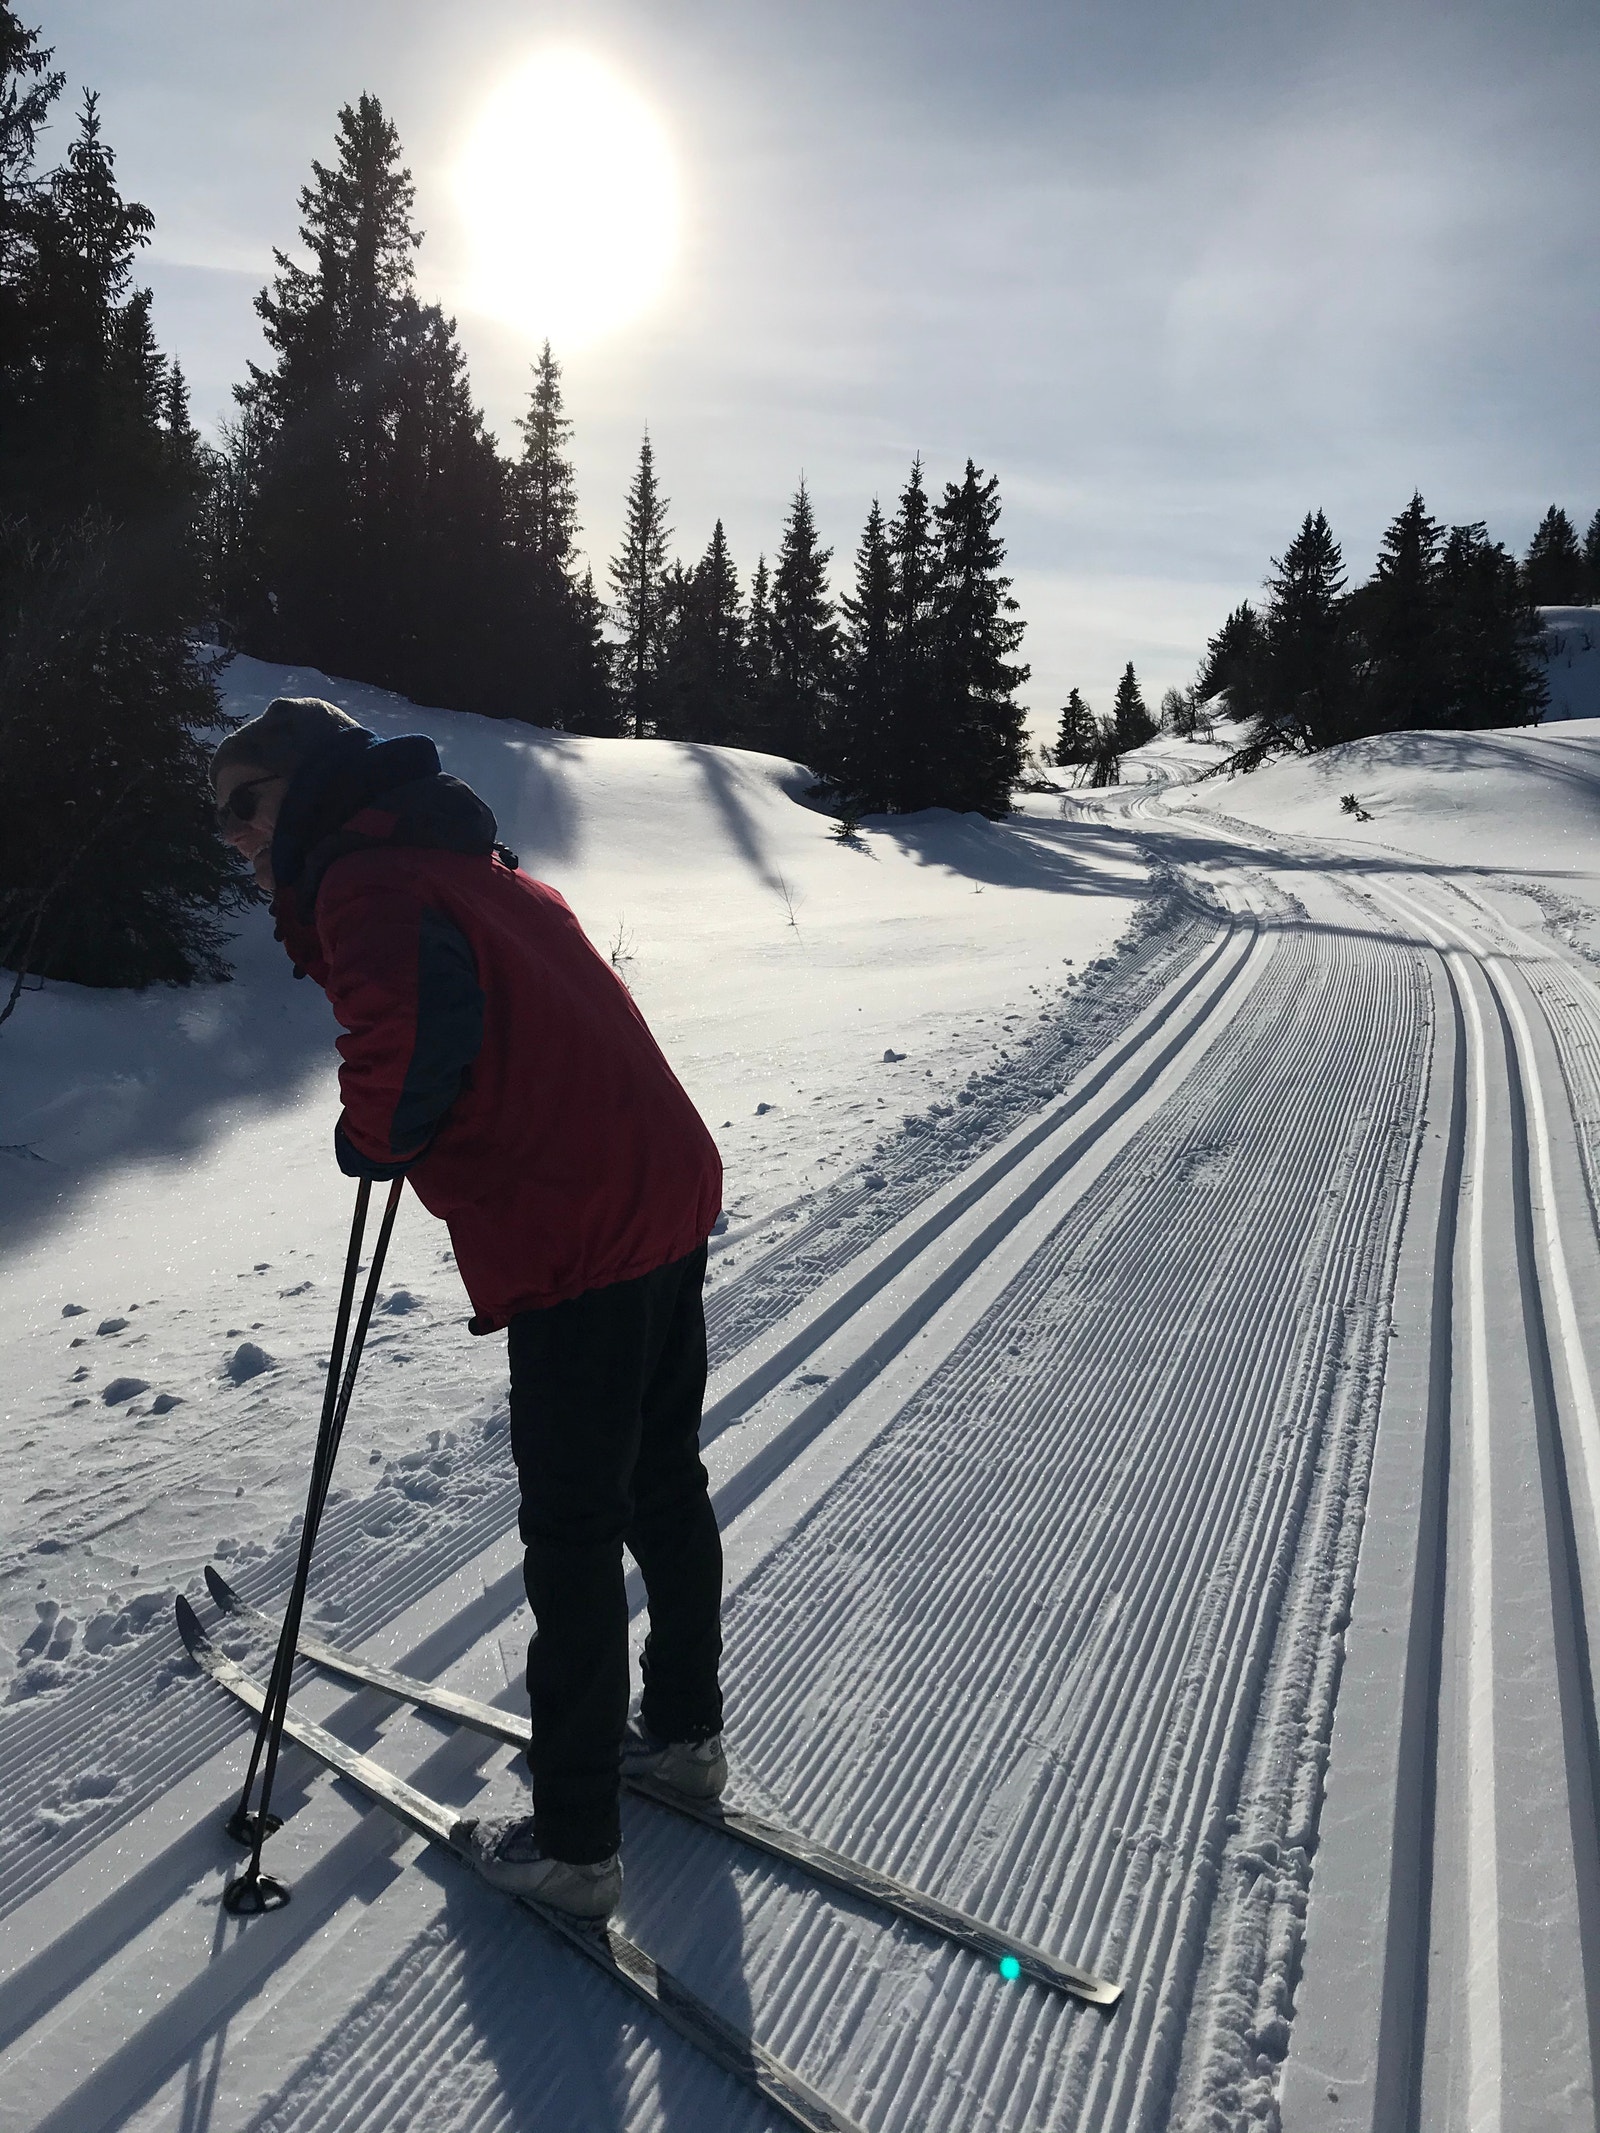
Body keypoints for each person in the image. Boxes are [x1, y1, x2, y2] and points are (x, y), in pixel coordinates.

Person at [212, 695, 727, 1920]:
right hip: (660, 1185)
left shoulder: (367, 880)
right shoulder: (461, 856)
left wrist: (373, 1136)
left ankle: (573, 1840)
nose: (231, 836)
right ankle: (686, 1739)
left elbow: (404, 1037)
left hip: (578, 1222)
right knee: (659, 1479)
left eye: (242, 804)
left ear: (306, 787)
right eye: (216, 819)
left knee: (572, 1522)